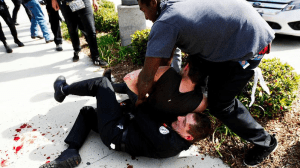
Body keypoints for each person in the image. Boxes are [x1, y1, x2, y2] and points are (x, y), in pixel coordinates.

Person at [136, 0, 277, 167]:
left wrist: (141, 101)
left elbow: (146, 77)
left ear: (153, 3)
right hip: (231, 30)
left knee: (221, 104)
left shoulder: (165, 23)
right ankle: (187, 118)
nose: (144, 16)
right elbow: (166, 59)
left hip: (249, 41)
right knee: (195, 74)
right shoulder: (174, 6)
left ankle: (266, 142)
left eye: (142, 9)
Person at [38, 74, 211, 168]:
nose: (179, 118)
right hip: (125, 126)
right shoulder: (178, 133)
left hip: (116, 132)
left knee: (101, 84)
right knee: (87, 112)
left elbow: (141, 110)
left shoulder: (167, 142)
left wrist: (137, 87)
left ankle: (62, 90)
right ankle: (71, 151)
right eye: (184, 116)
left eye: (184, 122)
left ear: (188, 137)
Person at [51, 0, 108, 66]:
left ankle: (96, 57)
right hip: (65, 2)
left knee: (90, 29)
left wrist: (94, 1)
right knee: (72, 28)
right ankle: (76, 50)